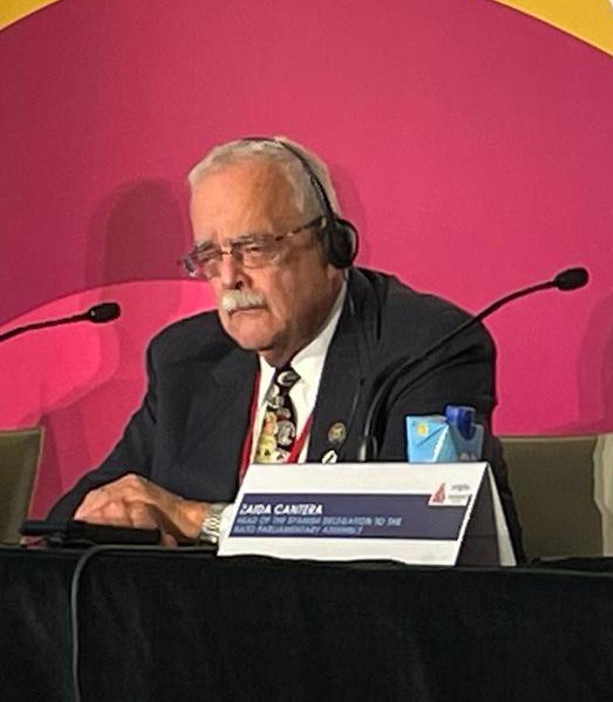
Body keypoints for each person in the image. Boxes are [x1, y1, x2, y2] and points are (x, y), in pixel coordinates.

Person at [50, 137, 521, 555]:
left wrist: (200, 521)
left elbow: (418, 532)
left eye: (254, 248)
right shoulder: (185, 359)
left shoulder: (426, 346)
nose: (231, 277)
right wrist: (110, 515)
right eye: (210, 257)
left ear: (332, 248)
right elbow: (85, 508)